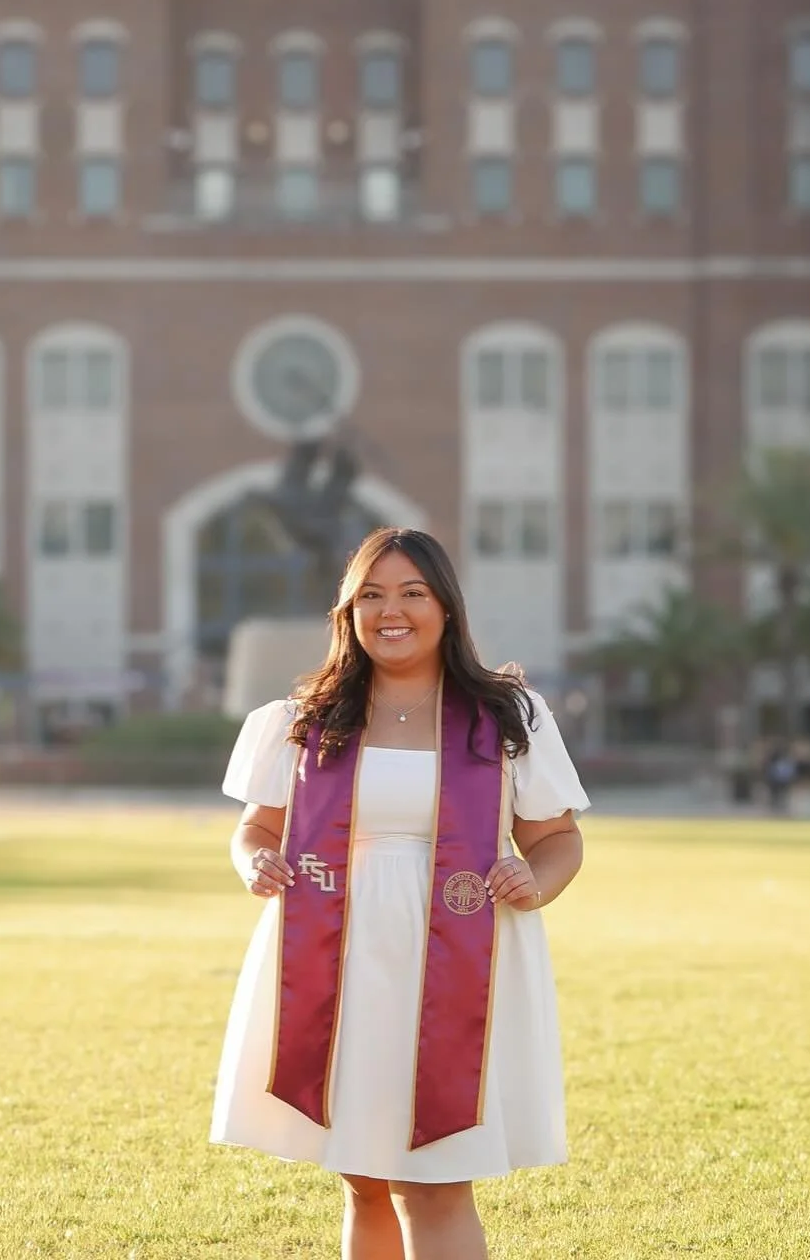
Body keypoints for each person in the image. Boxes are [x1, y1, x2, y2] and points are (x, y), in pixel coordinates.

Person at [211, 526, 588, 1260]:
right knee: (363, 1177)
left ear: (446, 607)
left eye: (413, 593)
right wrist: (253, 863)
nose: (393, 610)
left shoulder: (507, 718)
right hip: (337, 959)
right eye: (372, 595)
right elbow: (256, 830)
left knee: (436, 1180)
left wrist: (532, 882)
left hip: (462, 958)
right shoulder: (304, 723)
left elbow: (558, 841)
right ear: (348, 614)